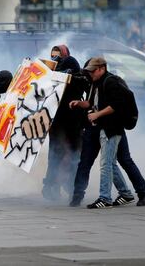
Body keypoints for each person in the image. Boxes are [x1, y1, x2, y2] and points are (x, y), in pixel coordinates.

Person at [69, 57, 134, 209]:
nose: (90, 74)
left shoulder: (110, 82)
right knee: (110, 163)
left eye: (93, 71)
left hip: (112, 128)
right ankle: (126, 194)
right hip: (105, 128)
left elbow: (115, 105)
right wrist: (79, 103)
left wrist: (96, 115)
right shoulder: (96, 83)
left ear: (102, 68)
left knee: (106, 164)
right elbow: (91, 103)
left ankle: (105, 198)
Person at [42, 45, 88, 200]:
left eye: (58, 57)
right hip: (57, 124)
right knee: (55, 155)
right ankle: (50, 187)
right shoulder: (51, 76)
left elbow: (85, 85)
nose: (55, 60)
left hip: (73, 123)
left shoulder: (76, 74)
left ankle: (72, 188)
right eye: (52, 57)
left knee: (74, 155)